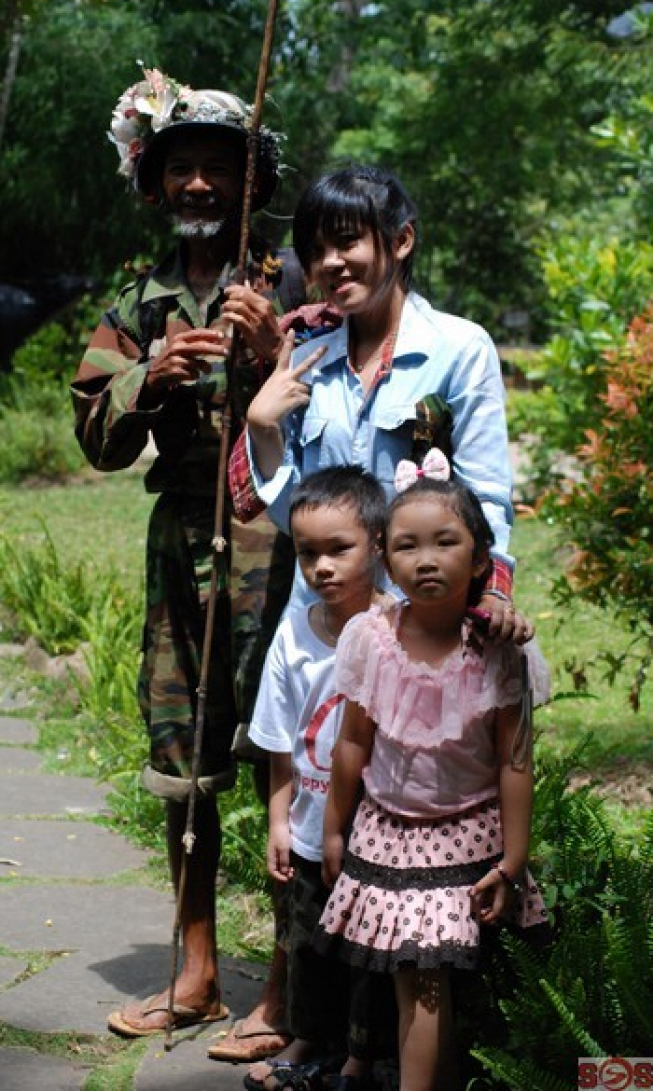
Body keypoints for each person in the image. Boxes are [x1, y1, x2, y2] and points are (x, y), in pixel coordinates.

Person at [71, 64, 296, 1053]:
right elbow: (96, 433)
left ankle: (291, 987)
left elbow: (355, 402)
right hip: (181, 555)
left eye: (220, 168)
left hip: (287, 548)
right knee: (185, 760)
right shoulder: (136, 297)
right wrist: (143, 383)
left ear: (254, 183)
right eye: (182, 169)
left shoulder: (295, 275)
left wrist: (279, 346)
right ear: (155, 185)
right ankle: (196, 968)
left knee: (292, 761)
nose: (200, 184)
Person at [315, 468, 550, 1091]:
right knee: (421, 984)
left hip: (467, 843)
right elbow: (352, 743)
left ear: (480, 560)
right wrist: (333, 830)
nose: (426, 560)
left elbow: (515, 760)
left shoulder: (501, 651)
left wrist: (514, 860)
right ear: (386, 562)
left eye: (445, 542)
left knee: (425, 984)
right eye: (406, 546)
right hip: (386, 838)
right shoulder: (370, 639)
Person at [229, 163, 532, 643]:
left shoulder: (460, 349)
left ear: (402, 240)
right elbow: (296, 519)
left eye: (347, 242)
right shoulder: (305, 360)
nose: (330, 262)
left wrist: (493, 591)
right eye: (316, 251)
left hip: (422, 622)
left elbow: (485, 491)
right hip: (321, 627)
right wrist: (264, 428)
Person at [245, 466, 393, 1091]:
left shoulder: (398, 630)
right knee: (307, 941)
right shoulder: (294, 635)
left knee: (368, 950)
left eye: (340, 549)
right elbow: (281, 740)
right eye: (308, 553)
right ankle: (310, 1037)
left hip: (379, 834)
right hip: (308, 826)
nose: (322, 567)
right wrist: (278, 820)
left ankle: (360, 1059)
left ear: (378, 547)